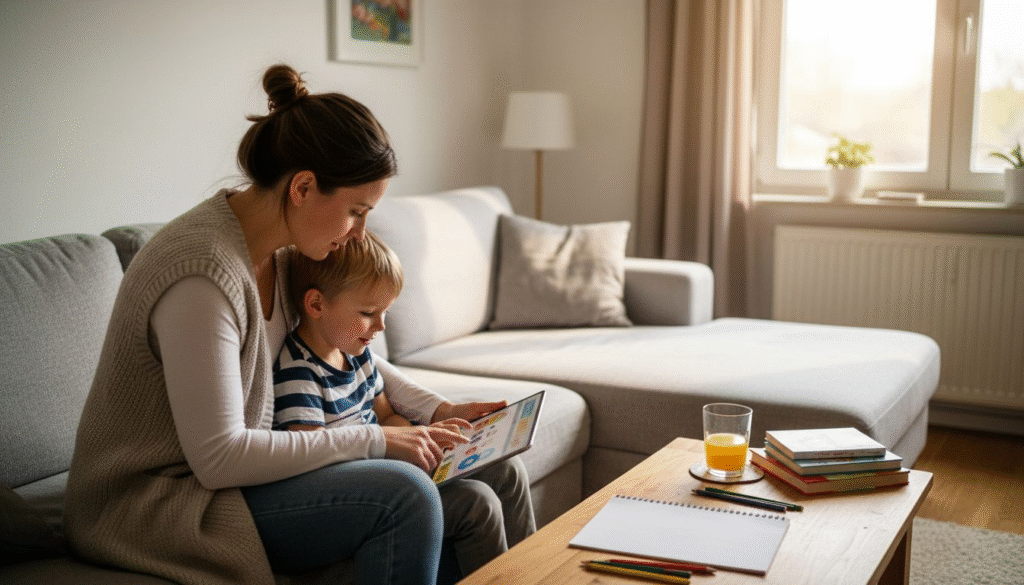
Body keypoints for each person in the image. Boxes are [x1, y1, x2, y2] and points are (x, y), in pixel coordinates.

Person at [64, 63, 533, 585]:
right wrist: (377, 439)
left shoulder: (286, 254)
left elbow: (349, 352)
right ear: (303, 187)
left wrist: (439, 410)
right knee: (408, 494)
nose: (359, 234)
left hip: (243, 479)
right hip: (165, 500)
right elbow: (220, 457)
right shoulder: (201, 276)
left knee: (496, 468)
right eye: (356, 211)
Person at [274, 231, 535, 579]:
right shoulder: (299, 373)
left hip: (396, 463)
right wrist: (397, 447)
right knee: (477, 502)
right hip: (368, 487)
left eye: (385, 312)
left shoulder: (357, 354)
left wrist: (424, 439)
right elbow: (310, 459)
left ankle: (535, 573)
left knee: (508, 469)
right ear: (317, 305)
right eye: (368, 312)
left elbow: (386, 414)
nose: (381, 326)